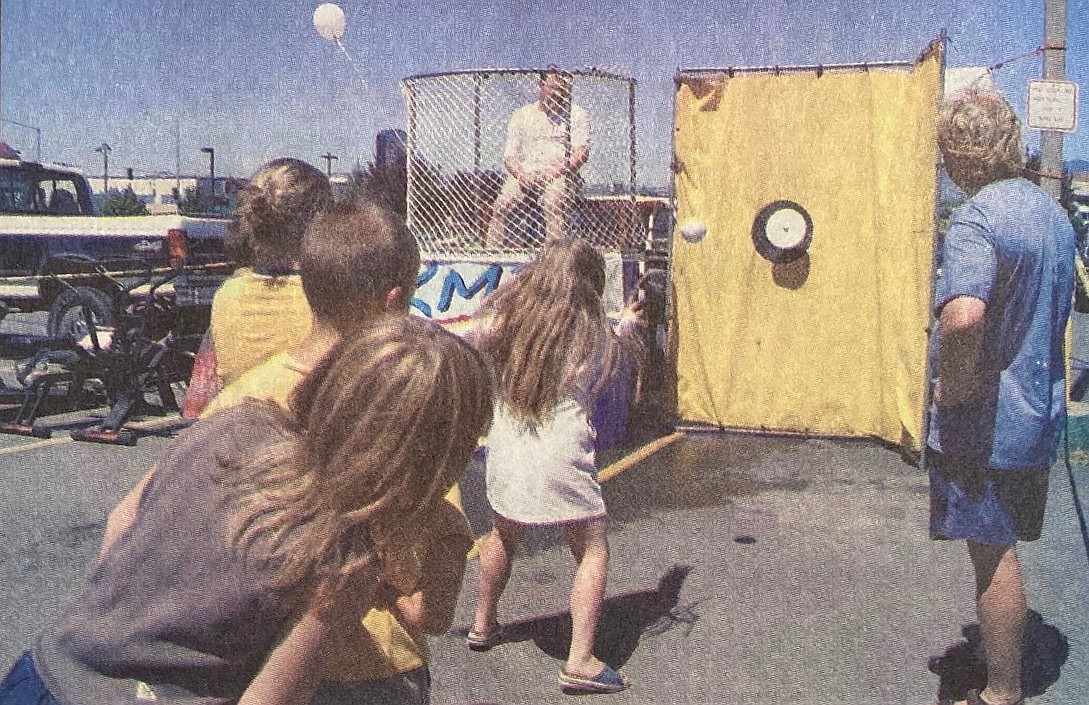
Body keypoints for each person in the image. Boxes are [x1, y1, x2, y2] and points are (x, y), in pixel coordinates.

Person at [0, 315, 494, 705]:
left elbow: (122, 522)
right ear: (432, 459)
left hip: (47, 670)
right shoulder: (347, 558)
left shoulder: (237, 424)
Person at [204, 199, 467, 705]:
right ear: (394, 302)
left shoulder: (239, 400)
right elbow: (434, 594)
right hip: (376, 670)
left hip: (260, 664)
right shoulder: (407, 404)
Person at [925, 89, 1074, 705]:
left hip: (986, 423)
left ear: (958, 152)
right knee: (1002, 546)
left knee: (992, 556)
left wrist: (951, 389)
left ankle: (1001, 691)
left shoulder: (977, 217)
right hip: (1038, 415)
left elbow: (963, 318)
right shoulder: (1052, 215)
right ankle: (1005, 665)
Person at [466, 239, 645, 694]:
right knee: (591, 548)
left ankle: (483, 624)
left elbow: (473, 334)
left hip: (506, 450)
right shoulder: (594, 336)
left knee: (503, 533)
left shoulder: (504, 324)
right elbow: (620, 351)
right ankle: (580, 660)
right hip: (562, 457)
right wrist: (629, 323)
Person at [182, 157, 331, 417]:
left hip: (238, 439)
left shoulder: (228, 295)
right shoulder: (324, 298)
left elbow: (200, 400)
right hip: (302, 444)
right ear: (320, 226)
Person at [484, 69, 590, 249]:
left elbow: (581, 153)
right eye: (554, 89)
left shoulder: (577, 115)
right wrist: (521, 175)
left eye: (563, 91)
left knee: (553, 201)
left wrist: (553, 172)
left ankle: (552, 261)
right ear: (541, 87)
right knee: (502, 205)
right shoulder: (522, 115)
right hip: (525, 174)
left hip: (560, 175)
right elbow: (510, 156)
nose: (558, 95)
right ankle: (493, 259)